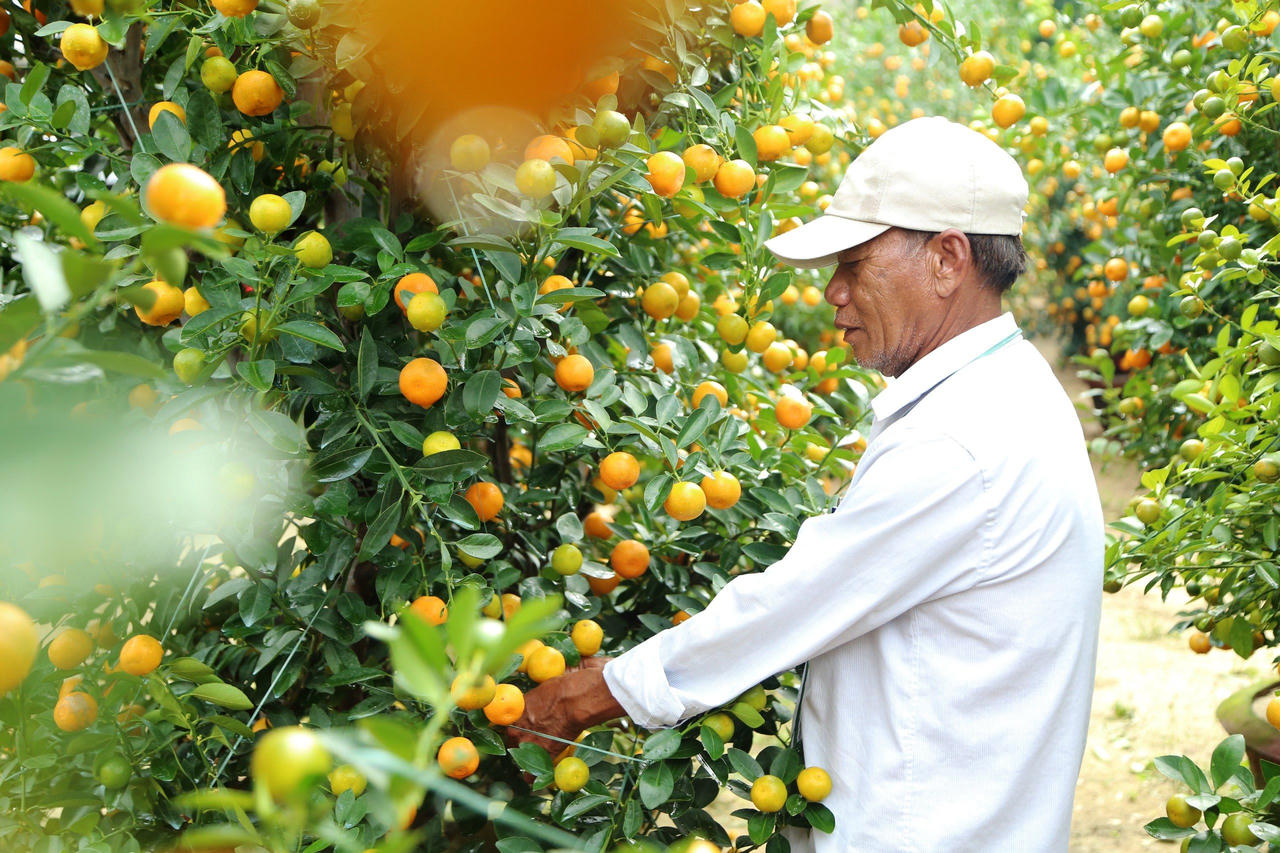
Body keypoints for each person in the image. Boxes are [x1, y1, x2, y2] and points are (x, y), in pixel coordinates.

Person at [509, 116, 1104, 852]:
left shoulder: (963, 439)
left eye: (854, 263)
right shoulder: (1005, 391)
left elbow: (792, 606)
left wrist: (585, 696)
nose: (833, 293)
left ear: (948, 258)